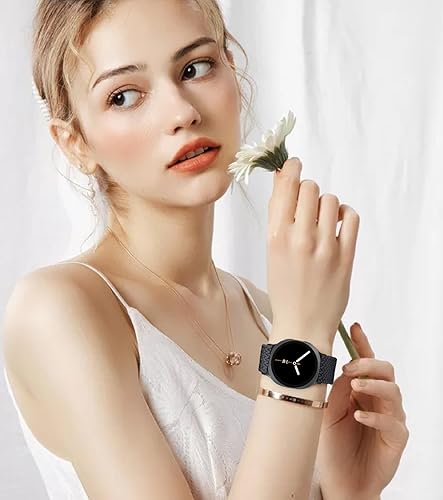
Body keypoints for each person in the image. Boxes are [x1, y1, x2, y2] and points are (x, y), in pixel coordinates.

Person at [2, 1, 409, 499]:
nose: (182, 112)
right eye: (124, 96)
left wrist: (351, 490)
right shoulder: (58, 310)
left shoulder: (268, 314)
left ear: (231, 68)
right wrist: (303, 334)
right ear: (75, 143)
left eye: (195, 68)